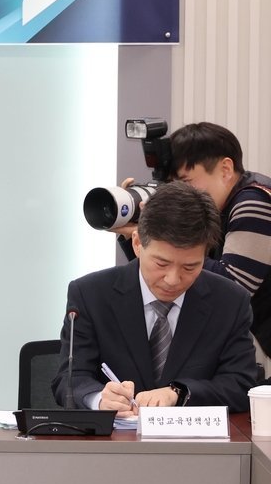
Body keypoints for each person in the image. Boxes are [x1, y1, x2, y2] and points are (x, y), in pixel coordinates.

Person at [56, 181, 257, 414]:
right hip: (113, 444)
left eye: (190, 267)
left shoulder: (230, 302)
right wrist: (99, 399)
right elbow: (70, 378)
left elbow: (241, 385)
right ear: (137, 243)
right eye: (161, 263)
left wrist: (179, 393)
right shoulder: (90, 294)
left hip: (195, 447)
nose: (173, 279)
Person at [114, 122, 271, 382]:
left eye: (186, 182)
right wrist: (144, 235)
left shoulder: (256, 201)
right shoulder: (226, 203)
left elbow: (231, 287)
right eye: (172, 185)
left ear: (226, 169)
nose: (180, 194)